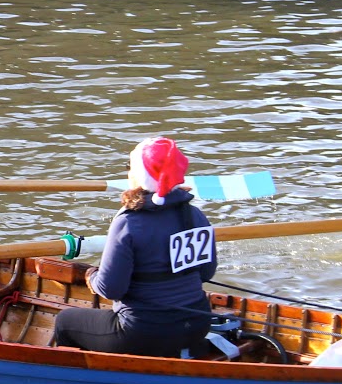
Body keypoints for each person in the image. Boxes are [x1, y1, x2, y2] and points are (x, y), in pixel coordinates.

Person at [50, 137, 218, 357]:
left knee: (64, 321)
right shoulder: (195, 215)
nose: (128, 172)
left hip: (142, 332)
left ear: (140, 176)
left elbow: (111, 289)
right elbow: (206, 272)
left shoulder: (128, 222)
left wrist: (91, 276)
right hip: (197, 325)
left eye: (130, 167)